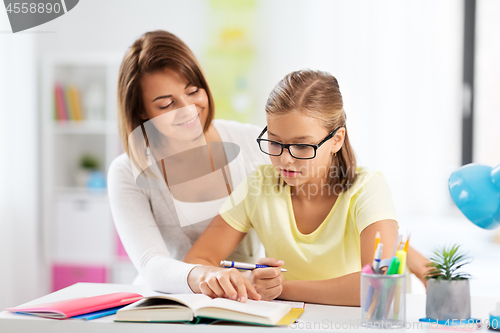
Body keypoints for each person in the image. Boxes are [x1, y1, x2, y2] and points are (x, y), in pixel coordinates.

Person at [184, 69, 432, 306]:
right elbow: (197, 259)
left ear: (336, 140)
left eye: (302, 146)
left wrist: (282, 289)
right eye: (275, 142)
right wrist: (240, 279)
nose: (286, 159)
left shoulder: (367, 188)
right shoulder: (259, 185)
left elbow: (379, 284)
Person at [108, 30, 270, 295]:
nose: (188, 109)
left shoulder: (254, 143)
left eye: (193, 91)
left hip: (249, 302)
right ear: (141, 111)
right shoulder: (126, 172)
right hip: (170, 304)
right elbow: (151, 264)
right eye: (166, 104)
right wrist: (205, 275)